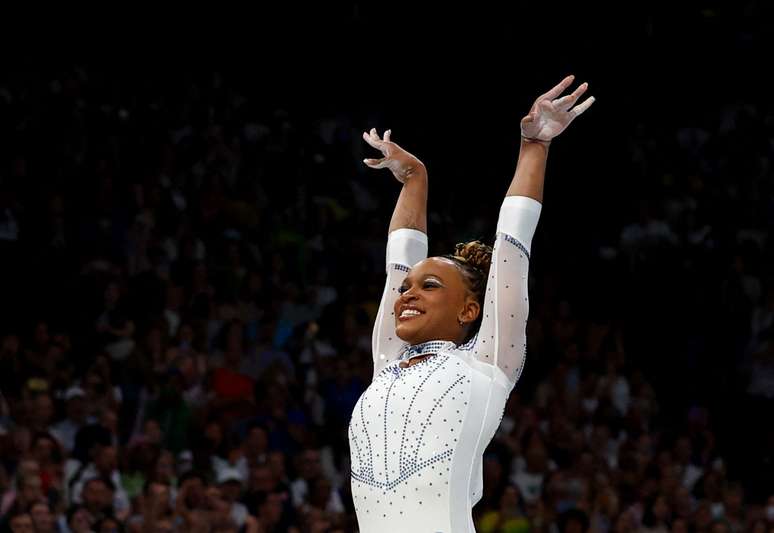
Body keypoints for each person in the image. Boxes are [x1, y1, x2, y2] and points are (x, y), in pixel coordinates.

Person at [348, 75, 594, 532]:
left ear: (468, 311)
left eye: (431, 286)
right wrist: (413, 180)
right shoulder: (387, 361)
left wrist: (534, 146)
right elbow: (397, 264)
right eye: (408, 289)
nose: (407, 295)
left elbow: (512, 243)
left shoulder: (487, 362)